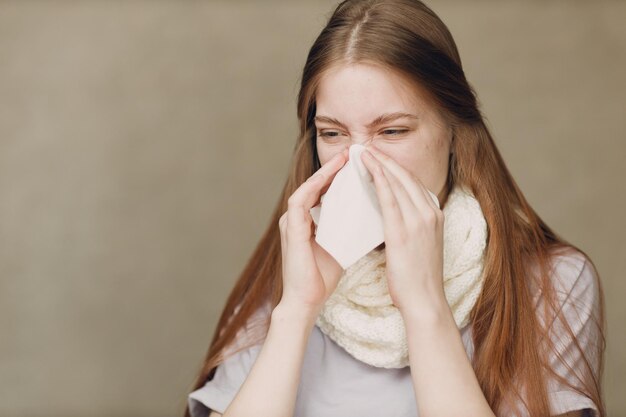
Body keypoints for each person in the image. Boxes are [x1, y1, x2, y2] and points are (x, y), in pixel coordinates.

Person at [183, 0, 606, 416]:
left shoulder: (553, 283)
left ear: (455, 132)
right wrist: (296, 310)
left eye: (392, 130)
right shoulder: (287, 277)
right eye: (332, 133)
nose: (359, 163)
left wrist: (425, 306)